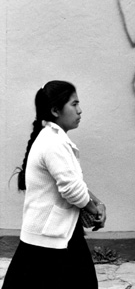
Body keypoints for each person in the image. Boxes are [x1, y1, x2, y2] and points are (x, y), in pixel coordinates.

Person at [2, 81, 106, 289]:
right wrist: (95, 211)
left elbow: (73, 182)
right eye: (74, 104)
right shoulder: (53, 143)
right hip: (48, 239)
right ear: (55, 110)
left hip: (57, 233)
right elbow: (71, 189)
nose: (80, 110)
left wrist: (97, 202)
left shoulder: (54, 139)